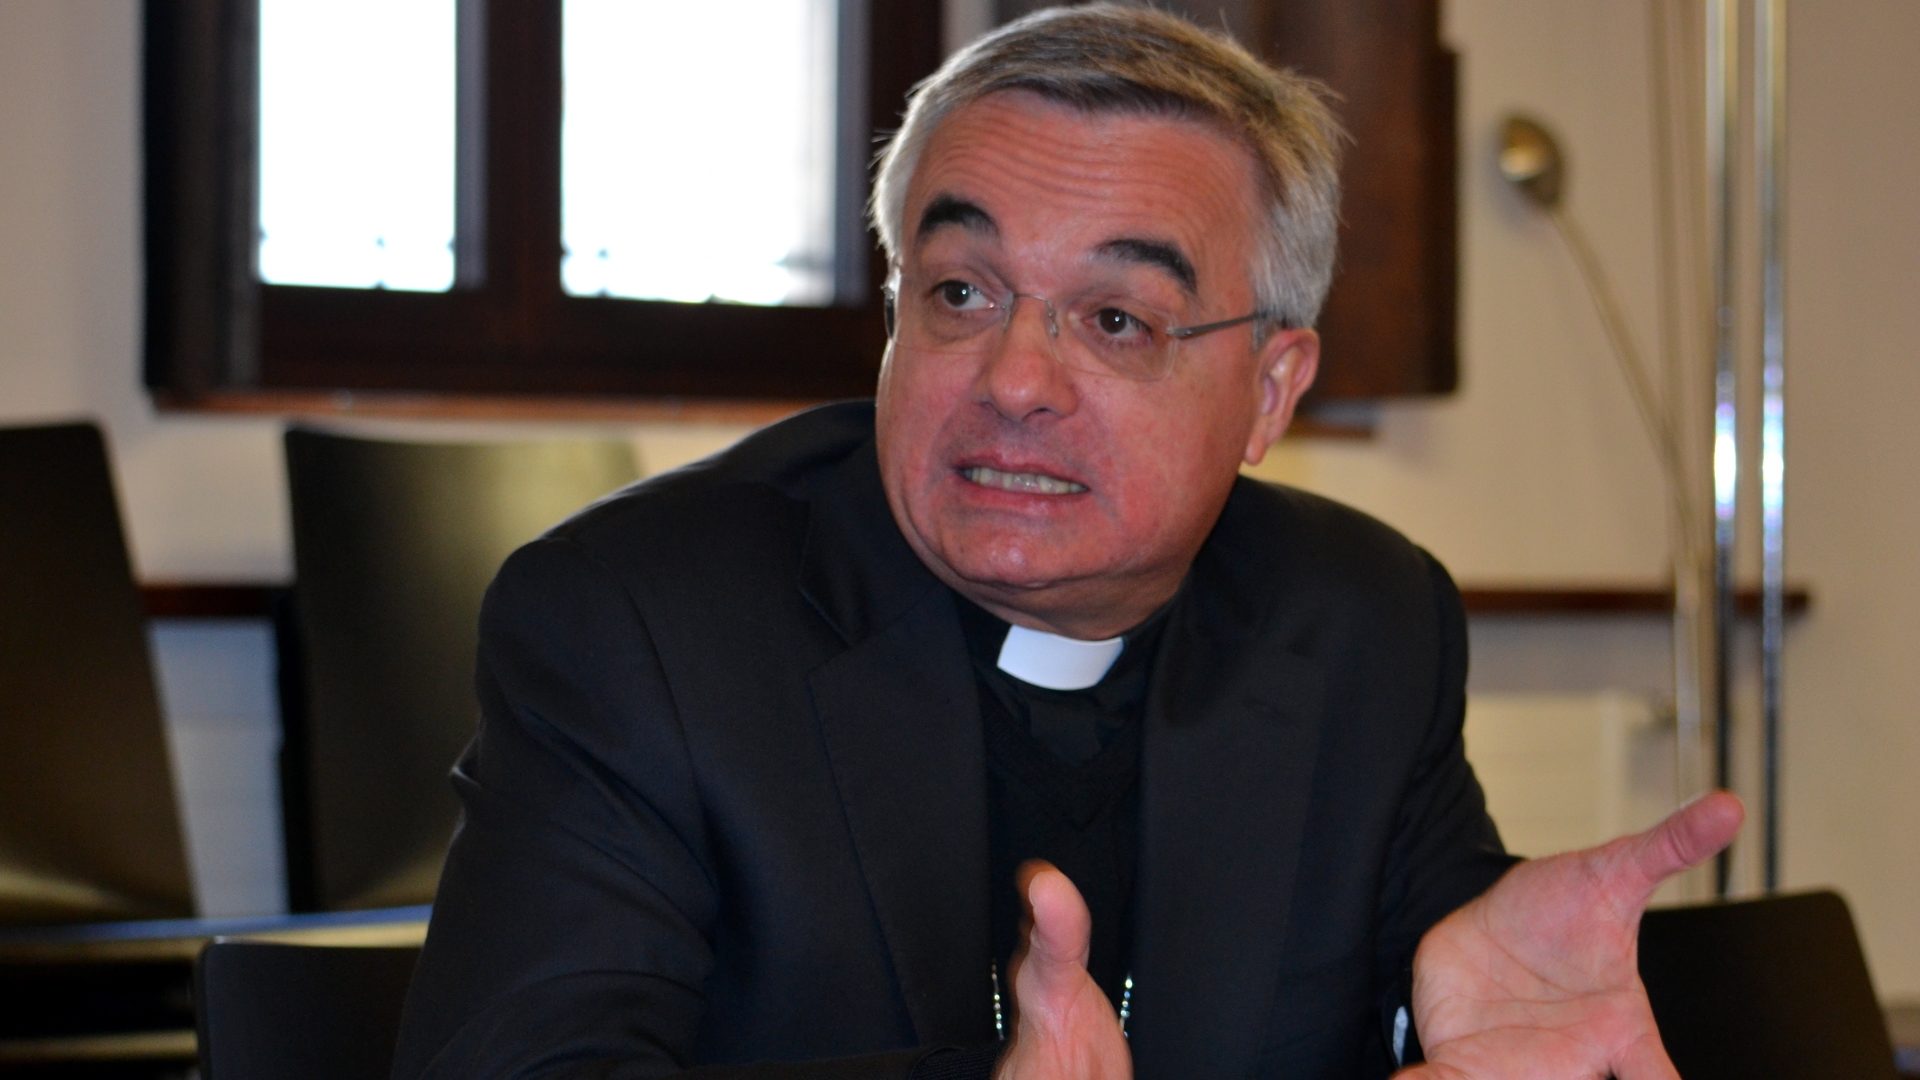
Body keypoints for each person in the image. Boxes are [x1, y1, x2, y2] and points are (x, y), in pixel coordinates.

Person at [390, 5, 1742, 1078]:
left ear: (1271, 391)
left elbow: (1457, 983)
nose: (1015, 378)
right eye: (963, 292)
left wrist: (1434, 1017)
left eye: (1115, 320)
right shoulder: (643, 624)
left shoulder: (1357, 623)